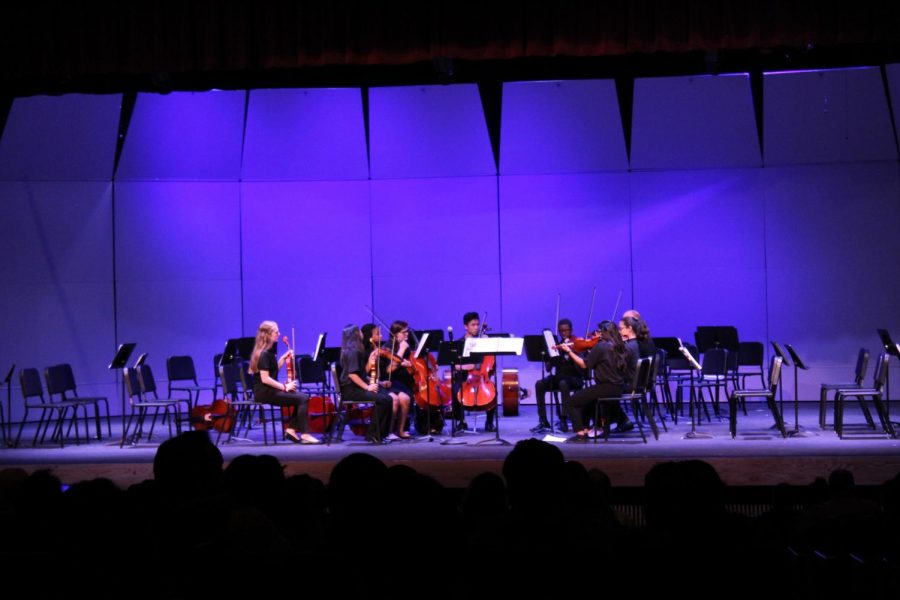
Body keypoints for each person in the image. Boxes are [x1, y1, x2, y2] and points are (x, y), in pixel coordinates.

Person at [560, 320, 635, 442]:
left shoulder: (602, 346)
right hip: (617, 388)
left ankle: (580, 434)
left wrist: (569, 352)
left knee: (571, 401)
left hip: (605, 387)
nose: (596, 335)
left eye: (599, 332)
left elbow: (584, 365)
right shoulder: (619, 345)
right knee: (587, 400)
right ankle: (584, 429)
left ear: (604, 332)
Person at [248, 321, 320, 444]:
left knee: (301, 397)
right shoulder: (264, 354)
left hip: (267, 390)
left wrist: (282, 358)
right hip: (265, 392)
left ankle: (291, 430)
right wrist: (284, 386)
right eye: (276, 332)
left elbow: (272, 371)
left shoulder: (267, 352)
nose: (279, 334)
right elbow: (265, 379)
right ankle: (305, 434)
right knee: (302, 398)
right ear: (268, 335)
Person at [339, 324, 394, 444]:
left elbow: (362, 373)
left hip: (356, 388)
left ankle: (380, 434)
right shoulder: (353, 352)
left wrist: (370, 362)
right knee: (384, 400)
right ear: (355, 334)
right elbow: (352, 375)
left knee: (387, 398)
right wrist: (368, 387)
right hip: (351, 390)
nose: (361, 333)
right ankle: (373, 435)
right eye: (359, 331)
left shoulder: (354, 350)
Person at [532, 318, 584, 432]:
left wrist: (571, 351)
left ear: (571, 330)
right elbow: (548, 369)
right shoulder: (557, 345)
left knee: (563, 383)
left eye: (566, 330)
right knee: (539, 384)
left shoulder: (577, 343)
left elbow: (582, 366)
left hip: (574, 377)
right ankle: (543, 420)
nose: (564, 333)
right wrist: (549, 357)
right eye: (561, 331)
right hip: (560, 377)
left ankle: (564, 419)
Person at [362, 322, 412, 440]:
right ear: (370, 337)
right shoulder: (365, 352)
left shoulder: (382, 349)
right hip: (373, 384)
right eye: (377, 334)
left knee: (405, 398)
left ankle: (400, 430)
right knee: (393, 399)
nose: (381, 336)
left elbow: (387, 365)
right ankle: (388, 432)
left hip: (383, 382)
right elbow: (366, 374)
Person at [451, 312, 497, 433]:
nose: (476, 327)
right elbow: (454, 365)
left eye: (477, 324)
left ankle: (489, 422)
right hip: (465, 377)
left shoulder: (482, 342)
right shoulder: (459, 343)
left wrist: (488, 343)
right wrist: (467, 366)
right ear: (466, 326)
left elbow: (491, 363)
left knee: (493, 389)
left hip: (481, 377)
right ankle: (461, 421)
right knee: (455, 390)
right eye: (473, 325)